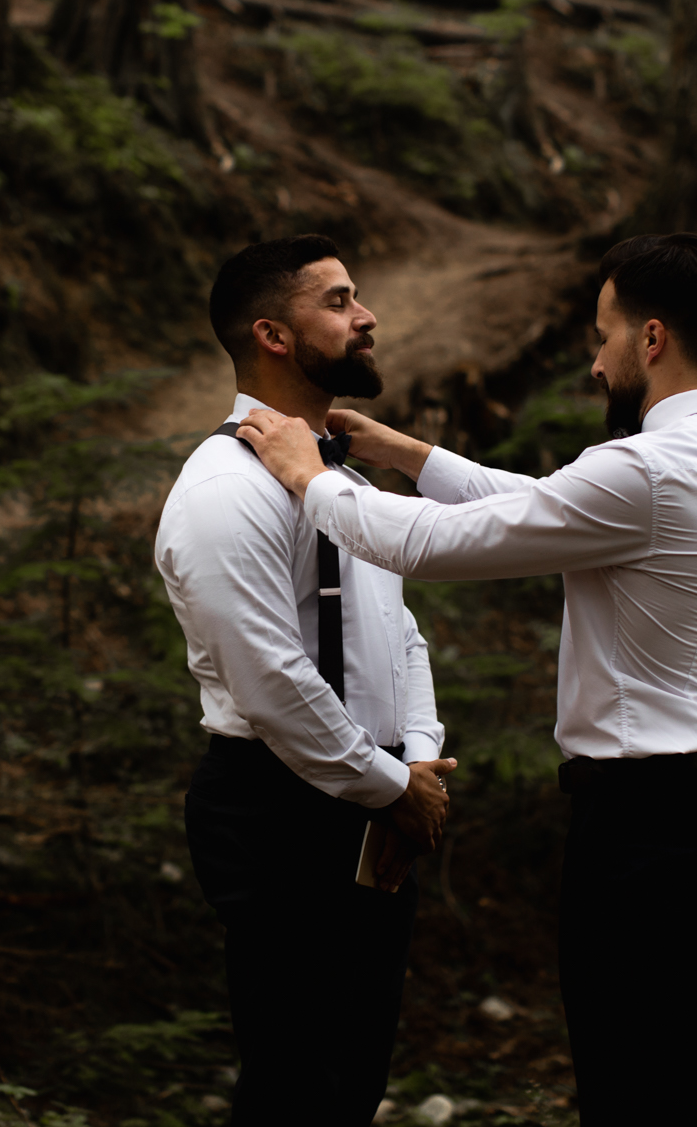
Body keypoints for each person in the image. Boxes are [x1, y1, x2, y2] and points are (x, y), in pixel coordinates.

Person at [237, 232, 697, 1125]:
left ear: (651, 340)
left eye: (603, 335)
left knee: (639, 1086)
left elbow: (425, 544)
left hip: (652, 828)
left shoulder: (647, 469)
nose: (595, 358)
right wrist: (410, 453)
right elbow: (550, 505)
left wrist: (309, 479)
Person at [155, 234, 458, 1126]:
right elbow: (271, 682)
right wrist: (390, 782)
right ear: (272, 336)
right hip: (277, 808)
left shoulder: (336, 479)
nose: (365, 317)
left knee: (355, 1078)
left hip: (378, 801)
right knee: (295, 1086)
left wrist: (421, 762)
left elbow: (400, 636)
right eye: (337, 301)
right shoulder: (222, 489)